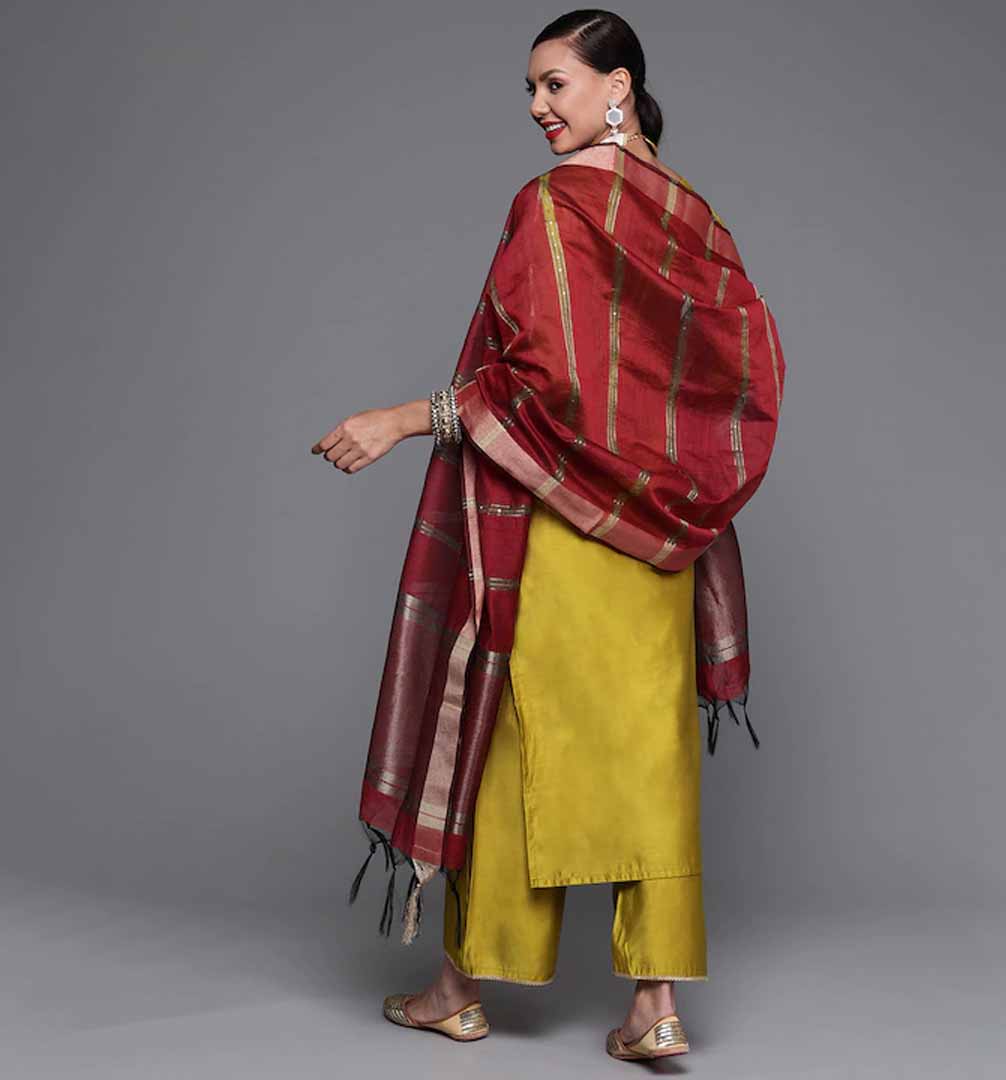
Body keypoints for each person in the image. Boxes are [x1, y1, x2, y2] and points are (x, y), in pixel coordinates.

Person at [310, 9, 785, 1062]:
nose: (535, 107)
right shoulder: (696, 218)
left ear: (618, 87)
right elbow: (724, 387)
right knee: (650, 755)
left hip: (563, 518)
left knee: (514, 744)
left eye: (553, 84)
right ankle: (655, 1004)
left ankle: (460, 988)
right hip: (663, 534)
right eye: (530, 89)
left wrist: (401, 419)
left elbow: (540, 383)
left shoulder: (552, 204)